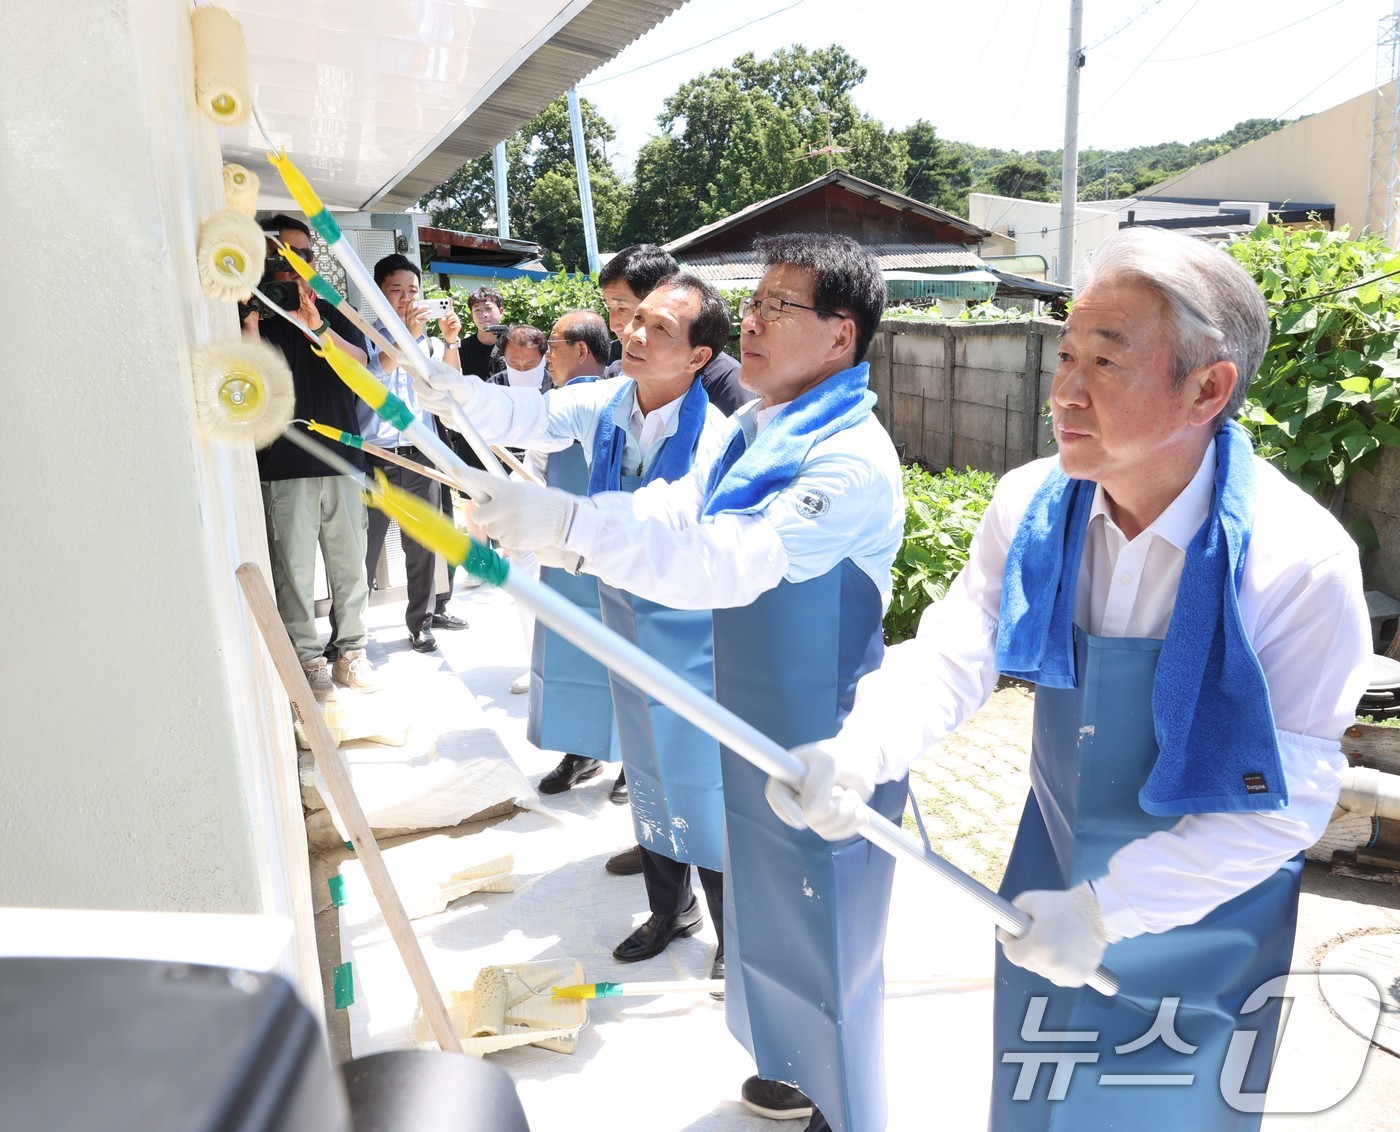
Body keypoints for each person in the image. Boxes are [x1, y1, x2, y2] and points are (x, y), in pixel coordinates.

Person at [771, 227, 1371, 1129]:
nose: (1065, 392)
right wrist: (856, 752)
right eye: (1065, 354)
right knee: (1036, 1100)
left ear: (1208, 388)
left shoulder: (1295, 564)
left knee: (1162, 1109)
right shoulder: (1032, 505)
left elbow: (1290, 797)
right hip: (1048, 882)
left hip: (1202, 918)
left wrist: (1108, 910)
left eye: (1107, 360)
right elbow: (954, 651)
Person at [453, 234, 904, 1132]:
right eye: (759, 302)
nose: (757, 323)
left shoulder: (847, 456)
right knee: (769, 915)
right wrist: (568, 522)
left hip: (824, 736)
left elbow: (729, 560)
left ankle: (846, 1109)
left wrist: (573, 524)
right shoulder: (756, 426)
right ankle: (789, 1065)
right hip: (753, 706)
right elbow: (673, 511)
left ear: (841, 336)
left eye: (780, 307)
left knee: (829, 931)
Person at [416, 273, 734, 983]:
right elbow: (524, 417)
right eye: (636, 320)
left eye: (660, 329)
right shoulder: (605, 402)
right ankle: (668, 906)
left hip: (692, 629)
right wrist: (454, 391)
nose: (636, 335)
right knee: (647, 770)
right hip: (622, 612)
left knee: (699, 778)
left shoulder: (718, 436)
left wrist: (566, 523)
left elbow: (671, 513)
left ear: (698, 358)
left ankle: (731, 929)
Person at [244, 214, 378, 699]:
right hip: (283, 465)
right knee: (293, 571)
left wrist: (317, 325)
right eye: (279, 252)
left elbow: (361, 367)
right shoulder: (250, 308)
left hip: (343, 460)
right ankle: (308, 659)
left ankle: (352, 655)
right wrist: (249, 317)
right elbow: (249, 375)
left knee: (350, 568)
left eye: (300, 252)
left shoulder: (330, 309)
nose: (290, 261)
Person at [522, 311, 620, 796]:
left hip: (617, 550)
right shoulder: (551, 405)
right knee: (569, 650)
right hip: (562, 548)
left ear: (582, 350)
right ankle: (580, 750)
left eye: (553, 345)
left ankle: (633, 762)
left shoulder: (625, 400)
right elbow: (534, 472)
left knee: (624, 652)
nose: (546, 357)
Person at [359, 253, 467, 653]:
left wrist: (451, 340)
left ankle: (421, 622)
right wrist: (403, 335)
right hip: (374, 456)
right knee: (363, 546)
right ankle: (350, 630)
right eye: (396, 291)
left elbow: (449, 384)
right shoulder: (364, 335)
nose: (407, 298)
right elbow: (375, 376)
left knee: (421, 545)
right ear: (379, 294)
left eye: (413, 291)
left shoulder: (432, 343)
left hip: (420, 455)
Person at [600, 244, 755, 416]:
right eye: (609, 308)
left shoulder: (725, 384)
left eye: (622, 308)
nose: (613, 325)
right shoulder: (617, 373)